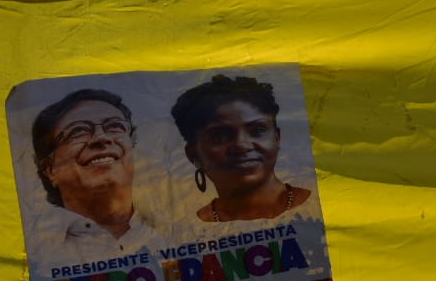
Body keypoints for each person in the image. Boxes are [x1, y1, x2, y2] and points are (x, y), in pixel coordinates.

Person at [28, 88, 162, 267]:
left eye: (115, 127)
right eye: (78, 131)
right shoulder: (37, 253)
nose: (101, 138)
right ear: (50, 169)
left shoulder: (176, 232)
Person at [170, 76, 314, 223]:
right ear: (193, 154)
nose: (242, 145)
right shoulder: (190, 230)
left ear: (276, 138)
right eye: (220, 136)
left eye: (258, 130)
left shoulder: (315, 207)